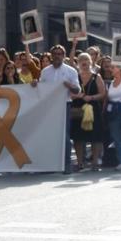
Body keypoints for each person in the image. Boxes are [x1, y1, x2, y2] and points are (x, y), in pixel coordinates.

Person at [34, 45, 80, 174]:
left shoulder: (71, 71)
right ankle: (50, 164)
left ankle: (66, 164)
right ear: (51, 55)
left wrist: (69, 85)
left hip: (64, 105)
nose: (57, 56)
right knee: (49, 135)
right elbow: (41, 88)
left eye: (60, 54)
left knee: (64, 136)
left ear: (64, 56)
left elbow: (77, 90)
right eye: (55, 54)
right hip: (49, 107)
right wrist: (34, 84)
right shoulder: (45, 71)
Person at [69, 53, 106, 171]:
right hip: (78, 108)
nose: (84, 62)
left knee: (96, 136)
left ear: (90, 62)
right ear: (78, 63)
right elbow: (69, 93)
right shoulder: (75, 77)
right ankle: (80, 163)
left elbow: (103, 93)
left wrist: (92, 97)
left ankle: (95, 163)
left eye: (86, 59)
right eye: (81, 60)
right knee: (78, 137)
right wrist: (76, 95)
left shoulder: (97, 77)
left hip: (93, 108)